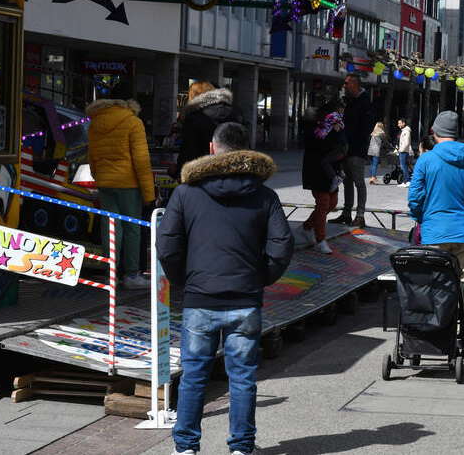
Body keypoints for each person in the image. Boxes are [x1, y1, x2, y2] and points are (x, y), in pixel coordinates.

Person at [158, 122, 294, 455]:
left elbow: (167, 245)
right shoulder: (264, 195)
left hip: (199, 297)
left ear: (211, 147)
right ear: (245, 149)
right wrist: (261, 277)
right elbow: (282, 244)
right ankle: (240, 447)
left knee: (193, 375)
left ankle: (187, 446)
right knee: (243, 377)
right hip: (245, 298)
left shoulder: (186, 193)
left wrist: (183, 279)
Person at [87, 89, 156, 290]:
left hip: (105, 183)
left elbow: (91, 156)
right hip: (129, 185)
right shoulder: (133, 122)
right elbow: (141, 161)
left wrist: (99, 177)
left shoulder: (95, 123)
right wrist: (149, 194)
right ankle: (132, 275)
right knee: (132, 229)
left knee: (109, 229)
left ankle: (111, 275)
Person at [407, 111, 464, 276]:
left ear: (435, 132)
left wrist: (421, 218)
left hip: (433, 231)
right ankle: (459, 304)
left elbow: (415, 197)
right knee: (460, 284)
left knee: (435, 286)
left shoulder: (426, 160)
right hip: (462, 230)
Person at [300, 106, 348, 254]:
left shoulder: (334, 130)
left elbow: (339, 149)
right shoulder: (315, 132)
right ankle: (320, 239)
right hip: (317, 173)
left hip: (331, 172)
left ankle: (307, 227)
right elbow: (319, 148)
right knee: (323, 204)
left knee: (332, 203)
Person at [175, 81, 243, 181]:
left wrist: (178, 172)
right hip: (234, 172)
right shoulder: (235, 112)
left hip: (203, 175)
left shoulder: (195, 117)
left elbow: (189, 151)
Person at [330, 73, 373, 228]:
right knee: (347, 181)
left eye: (347, 83)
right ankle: (347, 213)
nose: (345, 85)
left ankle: (360, 215)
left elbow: (365, 128)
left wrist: (354, 143)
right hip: (345, 148)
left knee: (358, 182)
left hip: (356, 149)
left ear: (355, 84)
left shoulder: (365, 102)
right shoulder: (348, 101)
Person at [396, 118, 413, 187]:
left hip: (404, 151)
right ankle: (405, 181)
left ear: (404, 123)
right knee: (404, 166)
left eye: (400, 123)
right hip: (403, 151)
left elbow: (406, 142)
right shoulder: (403, 131)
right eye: (398, 123)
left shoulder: (406, 131)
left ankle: (408, 181)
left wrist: (401, 150)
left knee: (403, 166)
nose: (398, 125)